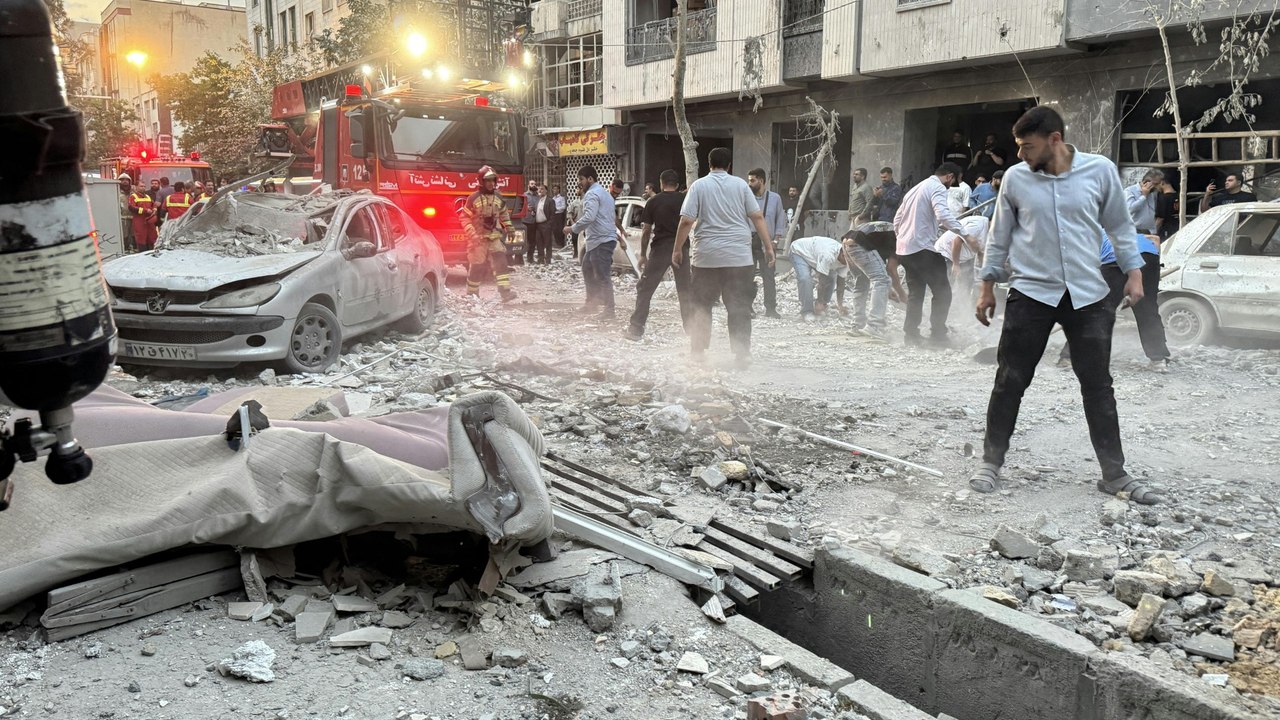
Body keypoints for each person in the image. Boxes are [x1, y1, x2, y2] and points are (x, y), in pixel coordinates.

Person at [972, 105, 1158, 504]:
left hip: (1088, 295)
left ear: (1054, 140)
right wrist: (986, 284)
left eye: (1027, 147)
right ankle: (990, 463)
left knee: (1098, 386)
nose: (1020, 155)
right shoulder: (1017, 179)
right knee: (1010, 381)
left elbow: (1120, 226)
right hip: (1031, 293)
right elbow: (998, 234)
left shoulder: (1100, 171)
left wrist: (1134, 272)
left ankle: (1114, 474)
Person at [673, 147, 774, 369]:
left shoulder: (699, 186)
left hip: (707, 257)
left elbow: (686, 220)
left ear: (709, 164)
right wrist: (768, 247)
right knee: (738, 306)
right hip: (739, 257)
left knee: (702, 304)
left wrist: (677, 249)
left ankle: (698, 351)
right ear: (729, 165)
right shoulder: (740, 185)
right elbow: (757, 216)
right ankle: (742, 353)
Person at [1058, 232, 1171, 371]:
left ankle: (1069, 357)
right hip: (1149, 258)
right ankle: (1158, 359)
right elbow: (1156, 239)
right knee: (1147, 310)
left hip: (1116, 259)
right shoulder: (1124, 232)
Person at [893, 162, 972, 346]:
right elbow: (942, 215)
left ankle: (911, 336)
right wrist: (965, 233)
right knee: (943, 292)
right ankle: (938, 335)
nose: (950, 186)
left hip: (905, 249)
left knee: (916, 293)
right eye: (952, 182)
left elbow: (897, 219)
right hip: (923, 248)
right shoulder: (937, 187)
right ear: (950, 176)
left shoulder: (915, 189)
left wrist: (903, 239)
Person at [626, 169, 692, 340]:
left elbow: (646, 230)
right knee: (685, 291)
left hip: (660, 249)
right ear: (677, 185)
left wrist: (642, 255)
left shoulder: (653, 201)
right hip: (681, 249)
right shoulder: (685, 200)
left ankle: (636, 329)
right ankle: (693, 331)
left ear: (661, 183)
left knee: (645, 288)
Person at [566, 165, 618, 318]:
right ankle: (592, 303)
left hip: (601, 241)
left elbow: (589, 217)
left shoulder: (592, 194)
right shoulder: (605, 194)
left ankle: (609, 310)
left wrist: (572, 229)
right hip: (600, 240)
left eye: (581, 179)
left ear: (590, 179)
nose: (579, 183)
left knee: (603, 275)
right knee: (587, 267)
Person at [459, 165, 517, 302]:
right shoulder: (473, 198)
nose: (491, 184)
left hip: (494, 237)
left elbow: (503, 213)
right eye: (488, 181)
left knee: (501, 262)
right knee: (477, 267)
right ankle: (472, 295)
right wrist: (471, 233)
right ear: (481, 181)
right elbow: (464, 217)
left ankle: (505, 293)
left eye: (493, 180)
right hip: (478, 239)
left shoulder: (498, 197)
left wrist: (510, 228)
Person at [843, 222, 905, 339]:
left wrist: (889, 289)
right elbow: (891, 270)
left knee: (861, 282)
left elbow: (879, 266)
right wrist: (902, 295)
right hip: (861, 243)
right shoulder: (902, 238)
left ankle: (857, 325)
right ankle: (874, 326)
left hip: (847, 243)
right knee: (881, 281)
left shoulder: (888, 232)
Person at [746, 168, 786, 319]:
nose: (749, 184)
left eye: (752, 180)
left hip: (767, 242)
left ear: (761, 181)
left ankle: (770, 308)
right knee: (747, 276)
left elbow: (780, 220)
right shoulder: (746, 197)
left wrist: (776, 240)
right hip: (749, 241)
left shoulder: (775, 198)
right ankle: (747, 307)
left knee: (768, 276)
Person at [789, 235, 849, 322]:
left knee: (832, 277)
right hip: (799, 251)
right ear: (843, 255)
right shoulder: (828, 255)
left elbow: (841, 282)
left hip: (815, 256)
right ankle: (807, 311)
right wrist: (819, 301)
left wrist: (840, 305)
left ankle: (823, 305)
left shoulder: (848, 259)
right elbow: (822, 281)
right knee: (805, 279)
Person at [935, 215, 989, 311]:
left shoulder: (992, 234)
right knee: (947, 284)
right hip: (947, 253)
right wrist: (956, 264)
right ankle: (941, 310)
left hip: (964, 258)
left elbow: (980, 251)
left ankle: (960, 308)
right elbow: (957, 241)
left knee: (967, 282)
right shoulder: (979, 225)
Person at [1125, 169, 1163, 233]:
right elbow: (1130, 209)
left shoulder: (1152, 193)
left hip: (1149, 231)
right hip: (1134, 231)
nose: (1157, 187)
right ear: (1146, 182)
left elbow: (1152, 211)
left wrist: (1153, 231)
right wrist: (1143, 196)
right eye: (1155, 184)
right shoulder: (1129, 191)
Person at [125, 179, 158, 252]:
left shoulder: (147, 196)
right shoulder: (133, 197)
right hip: (139, 221)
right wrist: (145, 210)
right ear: (136, 187)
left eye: (144, 186)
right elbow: (132, 208)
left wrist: (155, 209)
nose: (143, 188)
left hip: (149, 222)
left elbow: (154, 204)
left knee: (152, 238)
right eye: (141, 186)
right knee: (141, 239)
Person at [527, 184, 555, 264]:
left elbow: (553, 214)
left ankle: (548, 260)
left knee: (548, 243)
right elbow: (536, 212)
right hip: (537, 225)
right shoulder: (538, 200)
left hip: (546, 224)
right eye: (539, 189)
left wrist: (549, 225)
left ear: (546, 191)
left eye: (542, 189)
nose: (540, 190)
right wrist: (532, 211)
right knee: (539, 243)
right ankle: (540, 260)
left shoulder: (550, 201)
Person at [118, 174, 135, 251]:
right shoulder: (116, 191)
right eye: (122, 180)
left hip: (134, 216)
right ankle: (125, 248)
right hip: (122, 217)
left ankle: (134, 247)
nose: (125, 182)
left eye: (126, 180)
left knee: (133, 234)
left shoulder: (134, 191)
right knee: (124, 234)